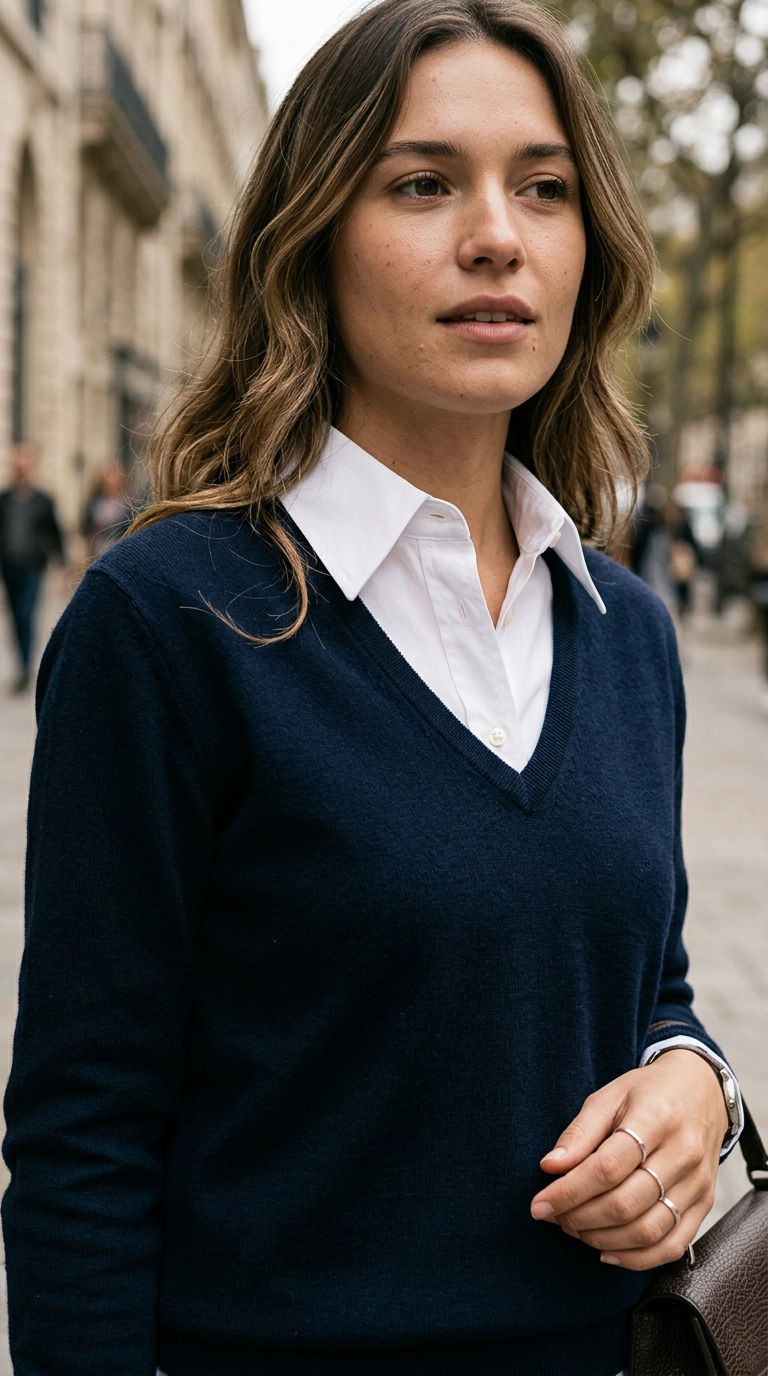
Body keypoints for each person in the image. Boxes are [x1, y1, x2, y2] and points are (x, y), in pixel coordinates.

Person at [2, 4, 744, 1375]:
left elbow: (646, 981)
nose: (497, 235)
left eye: (544, 188)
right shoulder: (169, 621)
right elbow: (83, 1133)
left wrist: (699, 1080)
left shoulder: (626, 629)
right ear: (312, 242)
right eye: (422, 184)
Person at [0, 442, 64, 691]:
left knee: (26, 614)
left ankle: (26, 669)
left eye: (25, 462)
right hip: (9, 566)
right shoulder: (4, 499)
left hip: (33, 567)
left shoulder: (42, 500)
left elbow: (54, 532)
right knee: (16, 617)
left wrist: (61, 562)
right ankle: (22, 664)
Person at [82, 463, 132, 561]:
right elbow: (86, 527)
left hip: (118, 549)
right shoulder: (96, 503)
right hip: (97, 550)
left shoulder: (125, 504)